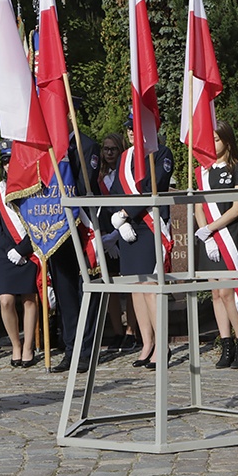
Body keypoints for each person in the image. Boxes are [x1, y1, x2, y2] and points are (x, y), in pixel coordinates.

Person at [111, 115, 174, 370]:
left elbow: (154, 187)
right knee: (135, 289)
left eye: (135, 128)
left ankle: (162, 345)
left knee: (150, 287)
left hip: (150, 224)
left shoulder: (160, 153)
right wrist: (122, 221)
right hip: (128, 226)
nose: (130, 132)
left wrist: (127, 213)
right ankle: (146, 343)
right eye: (128, 128)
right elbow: (116, 190)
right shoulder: (125, 158)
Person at [193, 120, 238, 369]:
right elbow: (198, 204)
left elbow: (237, 208)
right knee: (216, 294)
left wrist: (211, 228)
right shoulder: (201, 172)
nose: (212, 144)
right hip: (209, 239)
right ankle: (225, 344)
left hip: (229, 236)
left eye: (216, 139)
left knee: (229, 293)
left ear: (227, 141)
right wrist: (204, 233)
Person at [48, 114, 102, 373]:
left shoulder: (86, 146)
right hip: (57, 227)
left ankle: (86, 351)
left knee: (85, 291)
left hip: (81, 226)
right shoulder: (48, 149)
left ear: (69, 116)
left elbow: (86, 186)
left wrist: (68, 165)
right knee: (65, 292)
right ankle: (70, 349)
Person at [0, 140, 39, 367]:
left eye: (12, 161)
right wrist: (9, 250)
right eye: (5, 162)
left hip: (28, 251)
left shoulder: (32, 187)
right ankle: (15, 345)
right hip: (7, 253)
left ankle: (28, 347)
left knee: (29, 299)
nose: (9, 166)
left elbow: (38, 221)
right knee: (6, 300)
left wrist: (23, 249)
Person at [98, 132, 138, 352]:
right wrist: (107, 239)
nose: (110, 153)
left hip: (127, 232)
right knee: (110, 286)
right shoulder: (98, 177)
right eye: (106, 149)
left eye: (114, 149)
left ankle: (132, 331)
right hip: (107, 237)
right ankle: (117, 331)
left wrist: (116, 236)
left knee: (132, 285)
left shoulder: (127, 172)